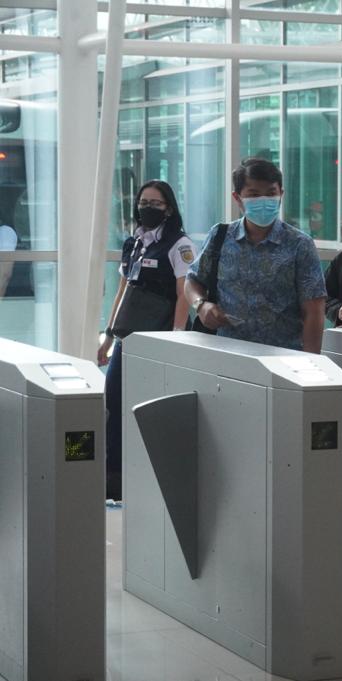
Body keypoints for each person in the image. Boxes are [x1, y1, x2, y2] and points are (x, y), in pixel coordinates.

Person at [97, 180, 196, 501]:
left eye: (155, 203)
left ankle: (154, 477)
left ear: (169, 208)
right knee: (112, 402)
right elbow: (123, 292)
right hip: (129, 337)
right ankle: (115, 476)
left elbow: (185, 293)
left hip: (160, 339)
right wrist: (109, 336)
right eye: (144, 202)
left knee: (151, 407)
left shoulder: (178, 244)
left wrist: (177, 338)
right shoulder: (134, 243)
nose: (147, 208)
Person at [185, 157, 327, 352]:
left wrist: (312, 363)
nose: (264, 201)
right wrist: (201, 305)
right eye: (254, 194)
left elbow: (314, 311)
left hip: (282, 358)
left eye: (271, 194)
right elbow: (192, 281)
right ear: (238, 198)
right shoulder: (220, 236)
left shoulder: (299, 245)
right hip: (226, 354)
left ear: (281, 194)